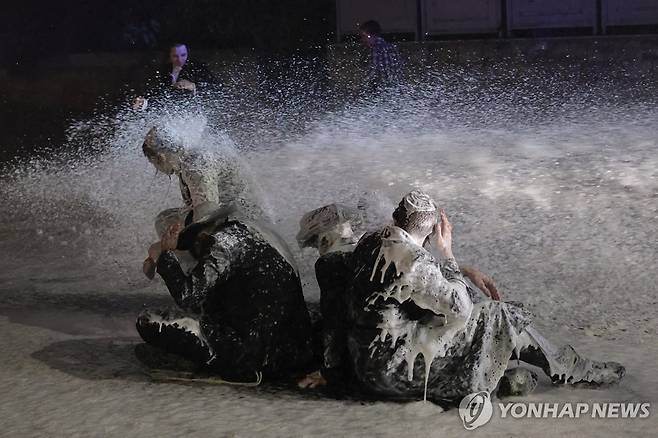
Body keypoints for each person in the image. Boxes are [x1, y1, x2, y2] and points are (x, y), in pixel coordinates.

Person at [304, 190, 625, 402]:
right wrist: (448, 254)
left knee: (484, 322)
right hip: (397, 368)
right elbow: (461, 308)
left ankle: (506, 381)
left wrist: (461, 269)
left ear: (395, 217)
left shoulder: (371, 242)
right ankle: (570, 368)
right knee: (499, 313)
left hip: (366, 366)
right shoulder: (418, 263)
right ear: (430, 232)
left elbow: (407, 274)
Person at [136, 205, 314, 381]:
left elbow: (188, 296)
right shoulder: (247, 232)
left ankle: (241, 368)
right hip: (292, 351)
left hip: (257, 356)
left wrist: (165, 257)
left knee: (148, 321)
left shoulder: (223, 242)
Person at [140, 126, 265, 279]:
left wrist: (159, 249)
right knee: (169, 219)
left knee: (164, 221)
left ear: (161, 156)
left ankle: (195, 276)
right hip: (241, 215)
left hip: (245, 224)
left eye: (153, 162)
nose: (157, 169)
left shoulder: (195, 164)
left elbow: (207, 216)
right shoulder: (190, 157)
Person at [133, 43, 216, 110]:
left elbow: (216, 87)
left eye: (183, 55)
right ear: (169, 57)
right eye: (175, 56)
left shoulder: (197, 68)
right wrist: (144, 101)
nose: (179, 60)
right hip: (168, 111)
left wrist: (193, 86)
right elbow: (158, 90)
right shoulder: (164, 70)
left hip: (193, 111)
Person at [359, 20, 402, 89]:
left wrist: (362, 84)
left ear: (370, 36)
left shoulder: (377, 48)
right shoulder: (391, 46)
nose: (363, 39)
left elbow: (374, 68)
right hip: (397, 83)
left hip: (387, 86)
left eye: (364, 36)